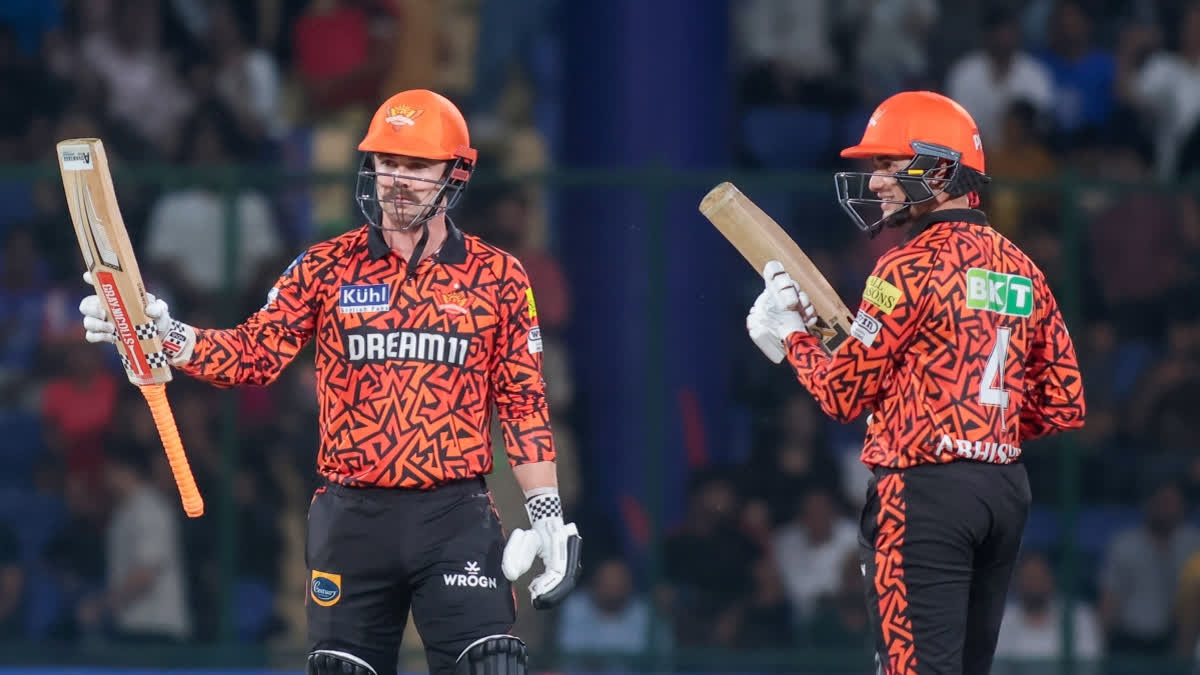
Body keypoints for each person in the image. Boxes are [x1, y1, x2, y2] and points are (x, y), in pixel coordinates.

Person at [78, 89, 582, 675]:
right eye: (386, 162)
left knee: (491, 665)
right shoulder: (324, 267)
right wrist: (163, 334)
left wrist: (545, 513)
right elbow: (251, 356)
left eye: (416, 166)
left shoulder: (498, 276)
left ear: (456, 172)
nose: (396, 180)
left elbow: (522, 401)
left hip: (455, 514)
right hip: (351, 516)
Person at [744, 90, 1086, 674]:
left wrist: (792, 337)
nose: (875, 182)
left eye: (888, 164)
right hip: (1002, 493)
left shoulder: (905, 266)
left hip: (923, 496)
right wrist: (976, 429)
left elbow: (840, 394)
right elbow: (1063, 404)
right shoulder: (1022, 268)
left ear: (941, 167)